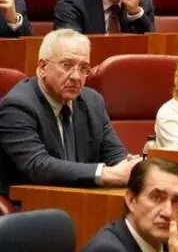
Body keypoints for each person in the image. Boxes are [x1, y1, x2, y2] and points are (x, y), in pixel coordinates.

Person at [0, 30, 138, 196]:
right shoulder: (17, 106)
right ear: (43, 67)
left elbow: (115, 156)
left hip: (82, 201)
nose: (76, 76)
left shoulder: (92, 101)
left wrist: (131, 168)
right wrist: (105, 174)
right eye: (67, 65)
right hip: (31, 207)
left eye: (83, 68)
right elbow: (37, 165)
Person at [82, 157, 178, 252]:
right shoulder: (106, 249)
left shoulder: (171, 244)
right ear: (131, 200)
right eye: (157, 198)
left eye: (176, 201)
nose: (168, 212)